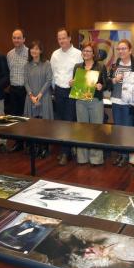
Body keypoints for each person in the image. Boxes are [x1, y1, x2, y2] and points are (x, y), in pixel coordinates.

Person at [107, 39, 134, 167]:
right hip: (116, 100)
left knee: (128, 129)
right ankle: (121, 154)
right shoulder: (115, 64)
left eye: (124, 48)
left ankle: (126, 155)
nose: (121, 51)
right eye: (119, 49)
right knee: (118, 129)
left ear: (130, 50)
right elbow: (108, 81)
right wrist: (114, 79)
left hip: (129, 102)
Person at [70, 42, 107, 166]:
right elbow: (75, 84)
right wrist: (71, 83)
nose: (86, 53)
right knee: (82, 130)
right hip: (80, 101)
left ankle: (96, 159)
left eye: (89, 51)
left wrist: (101, 86)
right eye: (84, 51)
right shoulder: (77, 67)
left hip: (95, 101)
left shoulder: (100, 67)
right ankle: (82, 158)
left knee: (96, 130)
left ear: (93, 53)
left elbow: (106, 84)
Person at [50, 28, 83, 165]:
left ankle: (65, 152)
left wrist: (77, 81)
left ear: (70, 38)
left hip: (72, 91)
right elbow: (53, 73)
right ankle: (66, 150)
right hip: (58, 90)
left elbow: (83, 73)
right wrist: (54, 90)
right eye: (59, 38)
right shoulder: (55, 54)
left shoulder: (78, 54)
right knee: (60, 122)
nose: (62, 41)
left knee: (69, 121)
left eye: (64, 38)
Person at [24, 40, 53, 158]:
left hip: (44, 97)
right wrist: (31, 96)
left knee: (44, 123)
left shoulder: (47, 64)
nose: (34, 51)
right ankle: (34, 147)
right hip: (30, 98)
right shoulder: (27, 65)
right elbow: (25, 82)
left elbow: (49, 80)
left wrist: (39, 95)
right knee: (33, 123)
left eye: (36, 49)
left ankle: (44, 148)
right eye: (32, 49)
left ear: (41, 50)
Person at [6, 29, 28, 152]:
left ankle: (29, 143)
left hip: (26, 90)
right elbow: (9, 71)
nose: (16, 40)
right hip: (13, 90)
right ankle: (18, 143)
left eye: (19, 38)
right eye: (14, 37)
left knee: (27, 117)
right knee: (16, 118)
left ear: (24, 39)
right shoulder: (9, 54)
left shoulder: (30, 53)